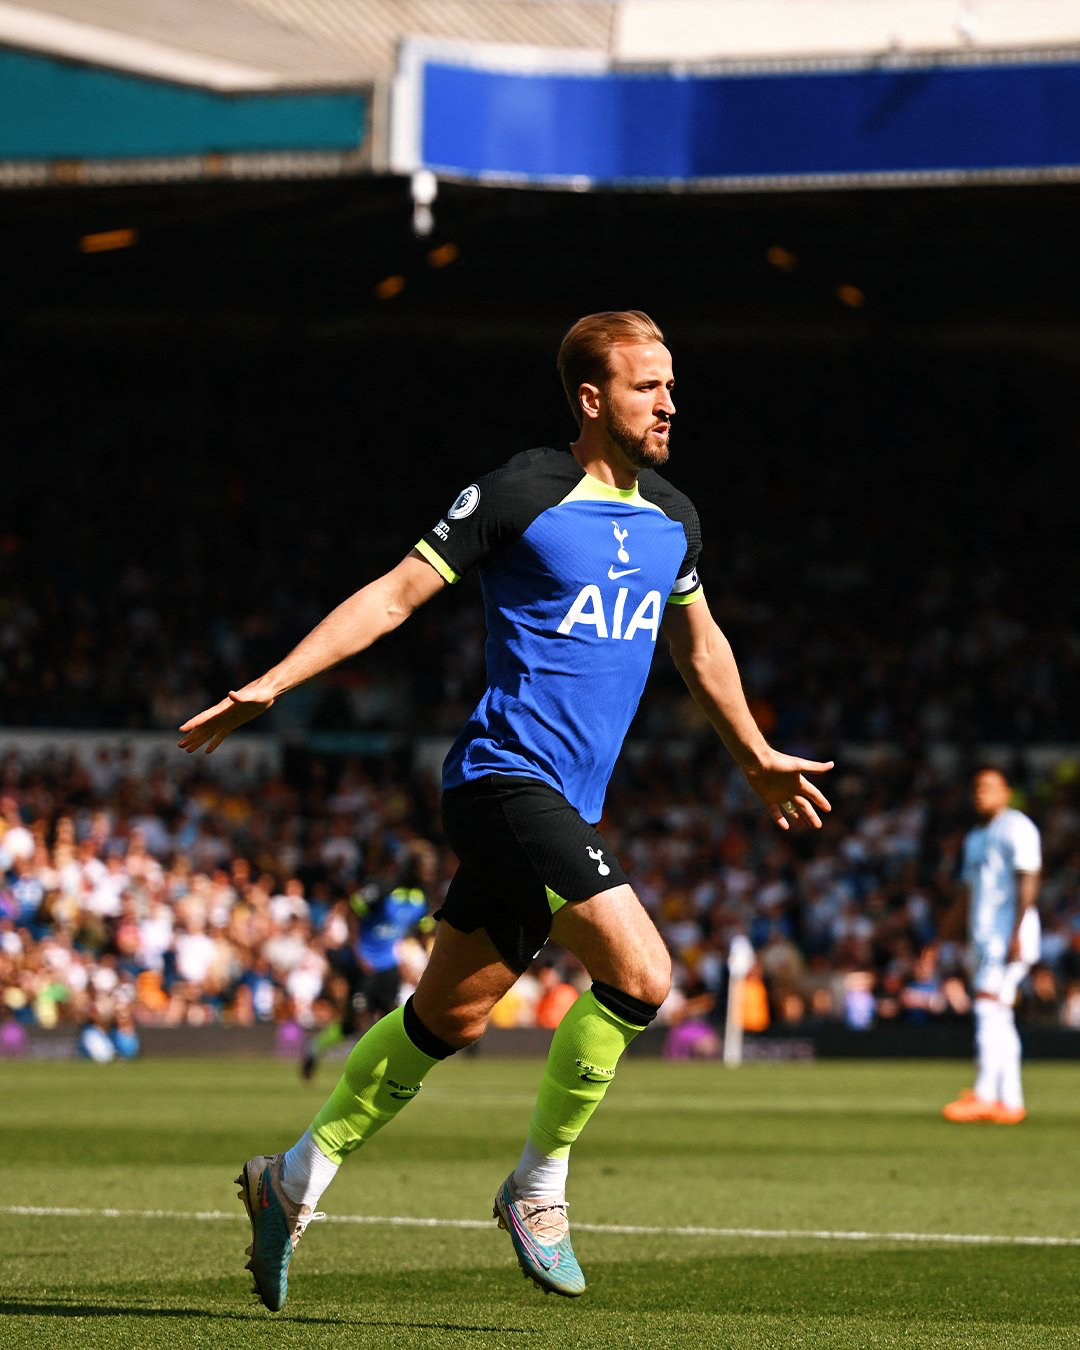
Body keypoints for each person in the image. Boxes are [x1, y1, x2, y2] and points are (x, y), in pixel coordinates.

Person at [179, 310, 833, 1310]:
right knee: (643, 973)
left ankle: (291, 1178)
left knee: (448, 1016)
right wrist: (278, 680)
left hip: (561, 801)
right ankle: (538, 1187)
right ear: (591, 398)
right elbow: (397, 593)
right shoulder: (520, 491)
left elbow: (700, 647)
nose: (669, 402)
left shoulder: (673, 520)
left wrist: (751, 756)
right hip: (500, 781)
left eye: (670, 384)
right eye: (647, 386)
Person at [943, 766, 1041, 1125]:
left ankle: (985, 1094)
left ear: (1007, 792)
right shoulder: (976, 837)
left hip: (1007, 936)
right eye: (976, 787)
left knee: (987, 1008)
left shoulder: (1017, 827)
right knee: (998, 1015)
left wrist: (1016, 931)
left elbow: (1029, 877)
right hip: (984, 937)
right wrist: (941, 938)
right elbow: (967, 893)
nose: (980, 793)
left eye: (989, 787)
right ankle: (1009, 1101)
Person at [301, 841, 436, 1081]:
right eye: (424, 867)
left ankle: (388, 1073)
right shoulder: (383, 887)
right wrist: (358, 950)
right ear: (411, 867)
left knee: (392, 1020)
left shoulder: (421, 896)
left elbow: (424, 928)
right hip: (365, 964)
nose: (429, 872)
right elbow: (353, 910)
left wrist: (426, 957)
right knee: (354, 1023)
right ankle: (314, 1048)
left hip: (389, 965)